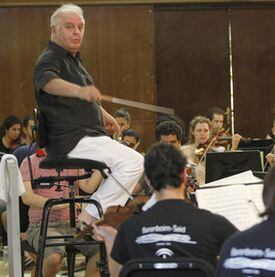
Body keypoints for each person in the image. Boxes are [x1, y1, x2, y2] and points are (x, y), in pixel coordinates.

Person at [33, 4, 144, 225]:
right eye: (69, 27)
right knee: (135, 162)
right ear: (54, 31)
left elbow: (83, 98)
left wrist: (103, 114)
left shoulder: (73, 58)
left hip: (87, 136)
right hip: (71, 139)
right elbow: (48, 83)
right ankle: (91, 216)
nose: (77, 32)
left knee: (130, 164)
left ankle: (100, 216)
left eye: (80, 27)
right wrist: (80, 91)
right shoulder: (49, 57)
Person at [92, 144, 238, 276]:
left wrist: (110, 237)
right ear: (185, 175)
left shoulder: (129, 229)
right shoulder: (214, 225)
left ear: (148, 180)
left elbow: (118, 274)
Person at [20, 149, 102, 277]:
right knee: (54, 258)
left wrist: (101, 168)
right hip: (42, 224)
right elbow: (27, 198)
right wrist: (62, 204)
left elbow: (88, 187)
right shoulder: (30, 162)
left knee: (103, 250)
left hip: (74, 224)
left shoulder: (74, 160)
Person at [181, 116, 211, 185]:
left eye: (206, 131)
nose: (202, 134)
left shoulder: (213, 152)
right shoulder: (183, 150)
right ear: (193, 132)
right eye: (199, 130)